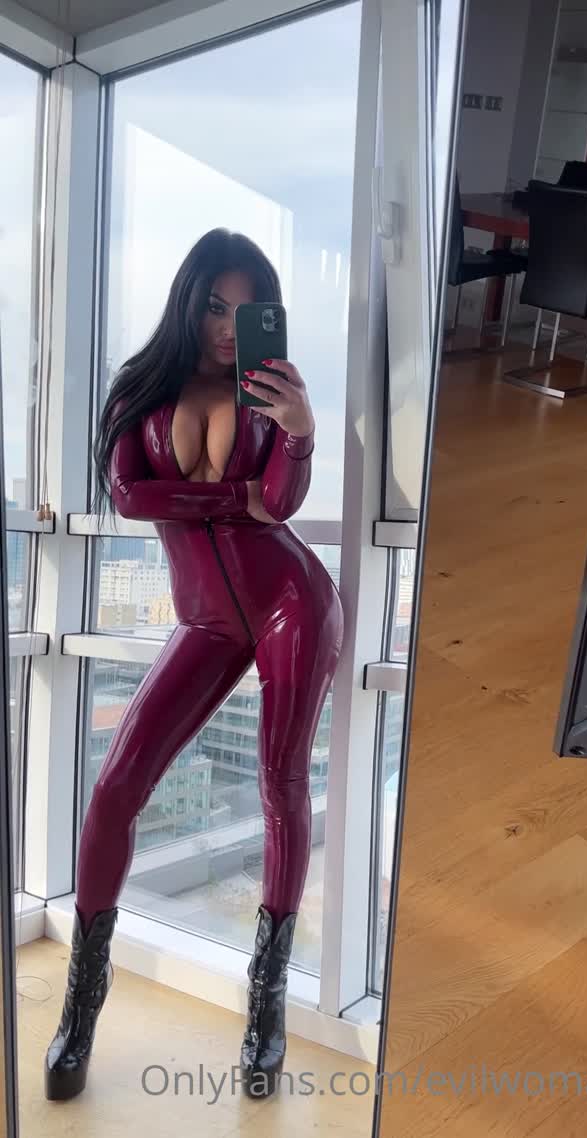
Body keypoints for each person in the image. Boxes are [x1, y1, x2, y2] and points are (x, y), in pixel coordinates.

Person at [44, 228, 344, 1102]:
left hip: (294, 602)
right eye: (215, 305)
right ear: (190, 300)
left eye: (245, 311)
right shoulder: (142, 390)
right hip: (206, 621)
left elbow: (280, 505)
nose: (225, 326)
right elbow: (130, 496)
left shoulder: (271, 394)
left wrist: (300, 435)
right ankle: (81, 1003)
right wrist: (233, 498)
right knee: (115, 787)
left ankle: (266, 1005)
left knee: (281, 782)